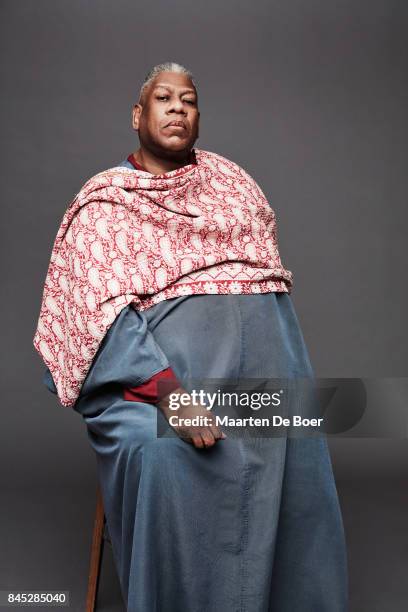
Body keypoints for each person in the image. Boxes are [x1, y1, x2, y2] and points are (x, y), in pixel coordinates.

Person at [34, 62, 348, 611]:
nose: (178, 107)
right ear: (138, 115)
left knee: (296, 441)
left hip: (256, 384)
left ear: (199, 118)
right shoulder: (105, 204)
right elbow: (96, 317)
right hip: (158, 390)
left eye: (189, 99)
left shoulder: (234, 185)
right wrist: (170, 394)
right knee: (166, 459)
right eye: (163, 98)